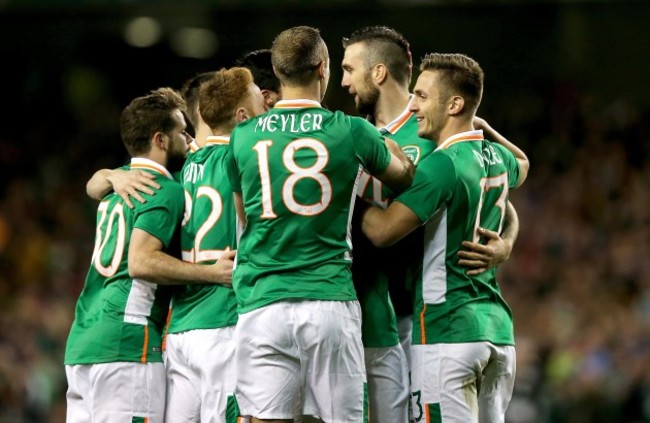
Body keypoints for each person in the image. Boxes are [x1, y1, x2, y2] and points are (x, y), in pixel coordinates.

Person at [227, 25, 414, 423]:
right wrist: (392, 149)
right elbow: (404, 177)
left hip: (263, 303)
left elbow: (243, 218)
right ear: (323, 68)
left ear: (278, 74)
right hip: (328, 300)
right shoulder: (352, 131)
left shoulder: (241, 137)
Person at [341, 26, 520, 422]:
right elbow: (511, 172)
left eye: (349, 69)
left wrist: (505, 243)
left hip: (427, 316)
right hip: (365, 310)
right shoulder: (356, 135)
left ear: (379, 73)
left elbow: (501, 202)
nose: (343, 82)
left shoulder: (434, 135)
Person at [64, 87, 235, 423]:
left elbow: (93, 185)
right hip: (127, 344)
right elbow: (141, 262)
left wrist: (108, 175)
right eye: (180, 132)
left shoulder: (117, 185)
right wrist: (211, 272)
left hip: (82, 344)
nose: (187, 138)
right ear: (160, 139)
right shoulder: (165, 189)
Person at [163, 67, 266, 423]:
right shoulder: (244, 159)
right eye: (259, 102)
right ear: (243, 116)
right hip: (224, 322)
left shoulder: (182, 168)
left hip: (179, 329)